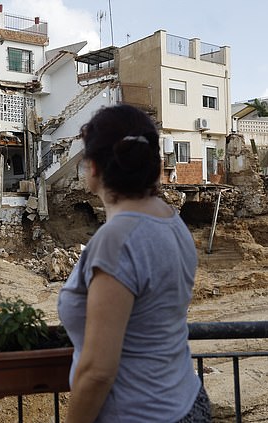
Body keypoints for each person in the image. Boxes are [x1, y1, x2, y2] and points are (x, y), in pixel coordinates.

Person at [57, 104, 211, 422]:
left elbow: (98, 371)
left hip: (139, 413)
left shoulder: (117, 240)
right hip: (187, 400)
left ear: (94, 169)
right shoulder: (172, 221)